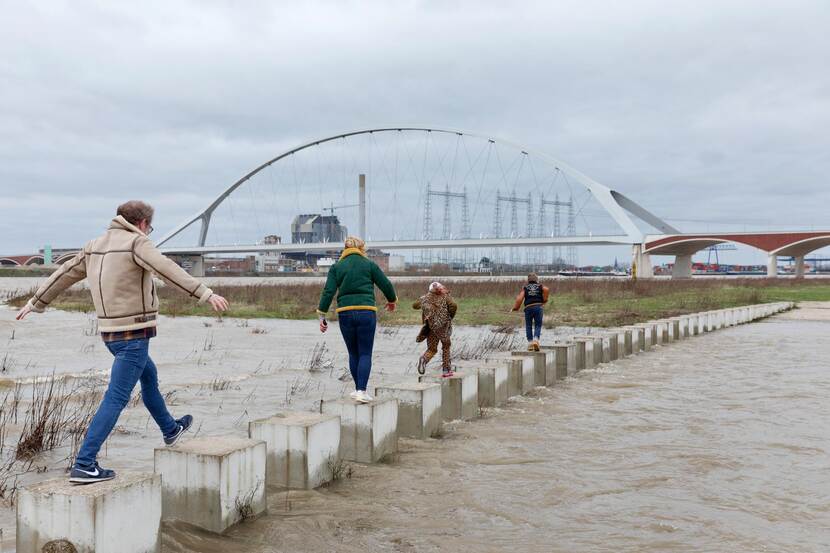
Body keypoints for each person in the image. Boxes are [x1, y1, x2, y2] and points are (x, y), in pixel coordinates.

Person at [16, 201, 229, 484]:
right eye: (149, 227)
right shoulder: (136, 243)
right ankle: (84, 463)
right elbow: (167, 269)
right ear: (142, 223)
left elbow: (64, 274)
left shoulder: (94, 245)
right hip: (134, 336)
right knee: (116, 397)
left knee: (149, 378)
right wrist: (205, 293)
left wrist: (35, 302)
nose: (149, 232)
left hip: (111, 335)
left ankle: (170, 429)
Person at [317, 236, 397, 404]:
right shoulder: (369, 264)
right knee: (365, 353)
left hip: (345, 313)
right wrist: (391, 301)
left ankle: (357, 389)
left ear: (344, 249)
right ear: (362, 249)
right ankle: (361, 390)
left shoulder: (336, 267)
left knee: (353, 353)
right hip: (366, 312)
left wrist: (322, 315)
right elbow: (386, 285)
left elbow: (328, 291)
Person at [414, 282, 457, 376]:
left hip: (431, 327)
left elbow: (415, 305)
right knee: (446, 346)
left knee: (432, 349)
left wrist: (424, 299)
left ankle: (424, 359)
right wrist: (450, 316)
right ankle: (446, 369)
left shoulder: (425, 298)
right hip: (443, 327)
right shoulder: (445, 297)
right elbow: (453, 305)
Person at [511, 273, 550, 351]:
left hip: (528, 308)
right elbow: (546, 289)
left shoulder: (525, 288)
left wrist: (515, 308)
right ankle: (536, 340)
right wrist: (544, 300)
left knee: (528, 326)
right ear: (536, 279)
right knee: (538, 325)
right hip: (538, 307)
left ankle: (530, 343)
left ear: (528, 280)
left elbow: (519, 299)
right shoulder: (540, 286)